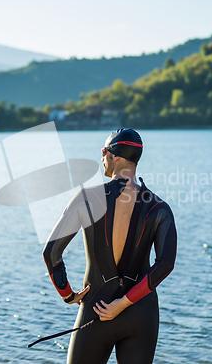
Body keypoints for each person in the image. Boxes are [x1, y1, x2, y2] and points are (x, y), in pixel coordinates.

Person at [43, 128, 177, 364]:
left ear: (114, 156)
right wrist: (124, 303)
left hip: (96, 310)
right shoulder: (159, 208)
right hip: (141, 314)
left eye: (103, 152)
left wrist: (68, 295)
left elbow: (51, 253)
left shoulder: (87, 198)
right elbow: (165, 264)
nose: (101, 158)